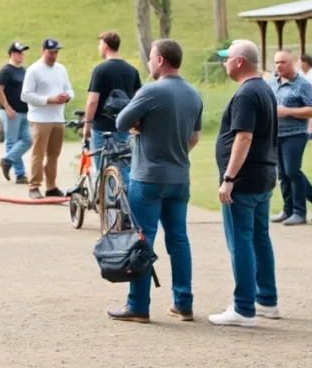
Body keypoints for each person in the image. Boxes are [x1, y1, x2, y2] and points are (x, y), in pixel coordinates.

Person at [108, 39, 202, 324]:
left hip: (148, 176)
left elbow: (121, 122)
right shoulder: (194, 94)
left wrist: (142, 126)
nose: (148, 63)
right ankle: (183, 303)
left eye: (150, 57)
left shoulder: (151, 91)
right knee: (179, 240)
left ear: (160, 60)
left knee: (143, 239)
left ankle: (138, 305)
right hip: (180, 176)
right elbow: (194, 138)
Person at [211, 40, 281, 327]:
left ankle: (243, 308)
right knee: (259, 238)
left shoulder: (246, 94)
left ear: (240, 61)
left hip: (244, 179)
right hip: (263, 176)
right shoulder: (264, 88)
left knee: (240, 241)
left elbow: (244, 136)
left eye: (227, 58)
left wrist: (228, 179)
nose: (224, 63)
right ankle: (267, 301)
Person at [270, 50, 312, 225]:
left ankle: (299, 212)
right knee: (282, 174)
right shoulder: (272, 83)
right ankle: (289, 209)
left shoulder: (302, 85)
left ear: (292, 63)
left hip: (295, 134)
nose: (279, 65)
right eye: (276, 62)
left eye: (283, 62)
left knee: (292, 171)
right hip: (277, 135)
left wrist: (289, 111)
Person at [83, 31, 142, 181]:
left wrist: (87, 124)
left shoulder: (100, 70)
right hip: (124, 126)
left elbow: (93, 101)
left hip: (102, 127)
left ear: (106, 46)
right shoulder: (131, 70)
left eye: (100, 44)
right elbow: (138, 98)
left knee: (104, 167)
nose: (99, 47)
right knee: (124, 166)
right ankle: (125, 200)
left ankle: (108, 201)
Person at [20, 38, 74, 200]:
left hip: (58, 117)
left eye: (56, 52)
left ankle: (51, 186)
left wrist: (67, 96)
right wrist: (48, 99)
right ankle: (34, 185)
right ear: (43, 51)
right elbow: (26, 95)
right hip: (40, 118)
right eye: (51, 52)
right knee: (39, 153)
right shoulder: (34, 70)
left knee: (53, 154)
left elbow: (69, 89)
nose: (53, 56)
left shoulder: (61, 69)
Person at [0, 41, 32, 184]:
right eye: (19, 52)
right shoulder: (6, 70)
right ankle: (20, 174)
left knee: (28, 140)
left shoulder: (23, 71)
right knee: (12, 141)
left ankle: (7, 161)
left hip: (23, 111)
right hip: (10, 111)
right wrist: (7, 107)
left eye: (22, 52)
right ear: (11, 54)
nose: (22, 55)